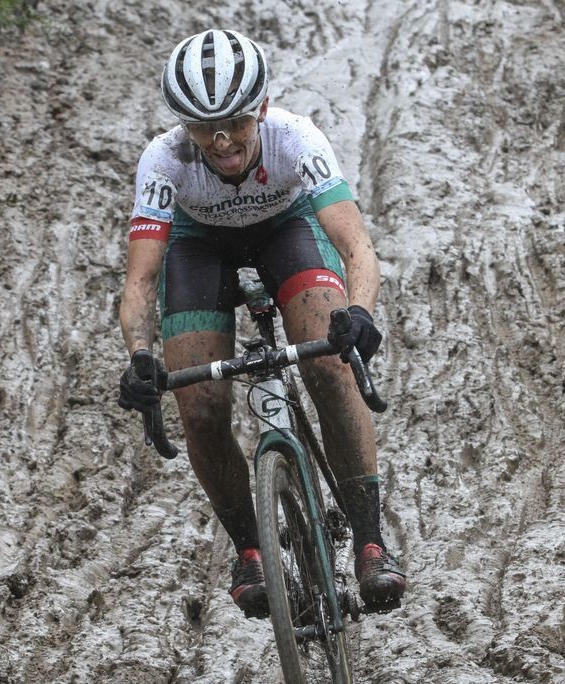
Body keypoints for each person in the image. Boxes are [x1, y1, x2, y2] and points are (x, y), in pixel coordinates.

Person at [116, 29, 406, 617]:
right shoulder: (164, 160)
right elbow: (141, 281)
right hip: (200, 248)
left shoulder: (296, 138)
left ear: (263, 110)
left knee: (329, 366)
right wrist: (140, 355)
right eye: (203, 128)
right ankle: (250, 550)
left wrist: (359, 314)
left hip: (286, 230)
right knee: (197, 404)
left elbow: (356, 248)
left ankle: (370, 540)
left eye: (236, 124)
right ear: (183, 126)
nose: (221, 141)